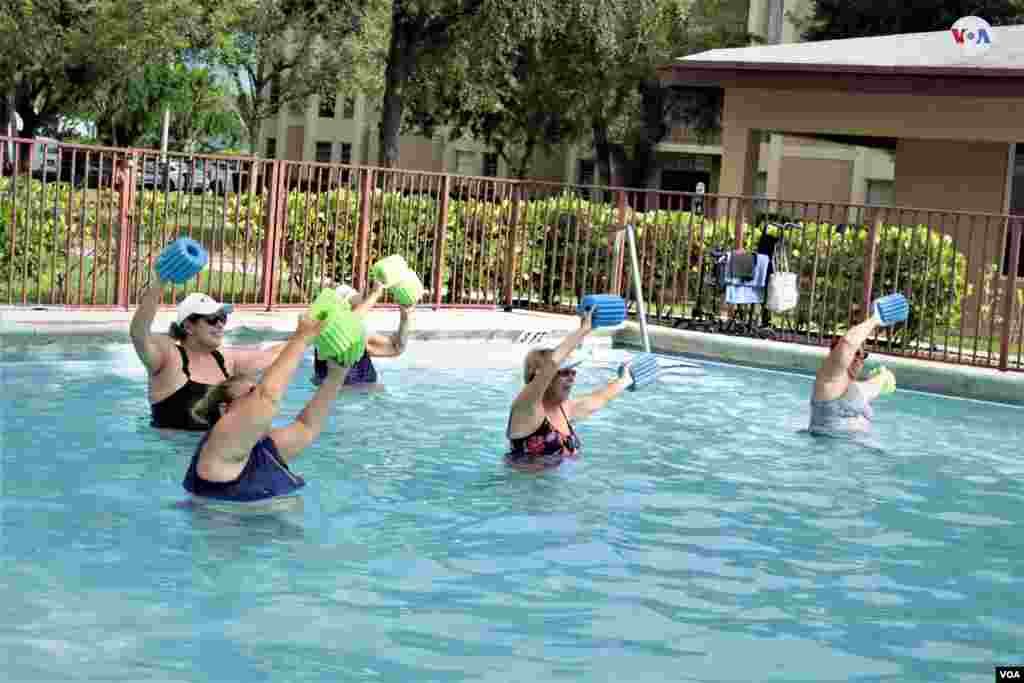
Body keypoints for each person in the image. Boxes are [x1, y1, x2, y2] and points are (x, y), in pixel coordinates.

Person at [182, 315, 352, 503]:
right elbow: (267, 397)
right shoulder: (220, 446)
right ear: (225, 409)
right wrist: (301, 338)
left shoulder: (261, 448)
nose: (257, 396)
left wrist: (336, 376)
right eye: (251, 393)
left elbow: (307, 427)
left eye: (256, 390)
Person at [130, 272, 290, 431]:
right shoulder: (168, 358)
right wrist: (160, 281)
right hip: (170, 452)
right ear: (188, 326)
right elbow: (139, 334)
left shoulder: (227, 359)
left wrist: (308, 332)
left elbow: (278, 354)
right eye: (212, 319)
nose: (220, 325)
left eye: (222, 318)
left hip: (218, 453)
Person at [505, 308, 634, 471]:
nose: (572, 377)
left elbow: (600, 399)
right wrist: (585, 329)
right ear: (542, 376)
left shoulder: (566, 409)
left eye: (573, 372)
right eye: (565, 372)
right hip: (525, 493)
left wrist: (625, 380)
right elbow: (553, 363)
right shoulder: (526, 409)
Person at [310, 280, 415, 390]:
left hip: (363, 400)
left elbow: (397, 348)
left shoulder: (359, 336)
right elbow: (348, 324)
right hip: (342, 400)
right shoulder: (327, 335)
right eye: (353, 306)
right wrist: (375, 293)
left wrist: (406, 316)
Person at [809, 311, 893, 436]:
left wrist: (884, 376)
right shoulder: (828, 382)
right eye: (854, 353)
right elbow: (848, 342)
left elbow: (877, 382)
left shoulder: (859, 389)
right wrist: (876, 319)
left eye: (862, 355)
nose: (858, 359)